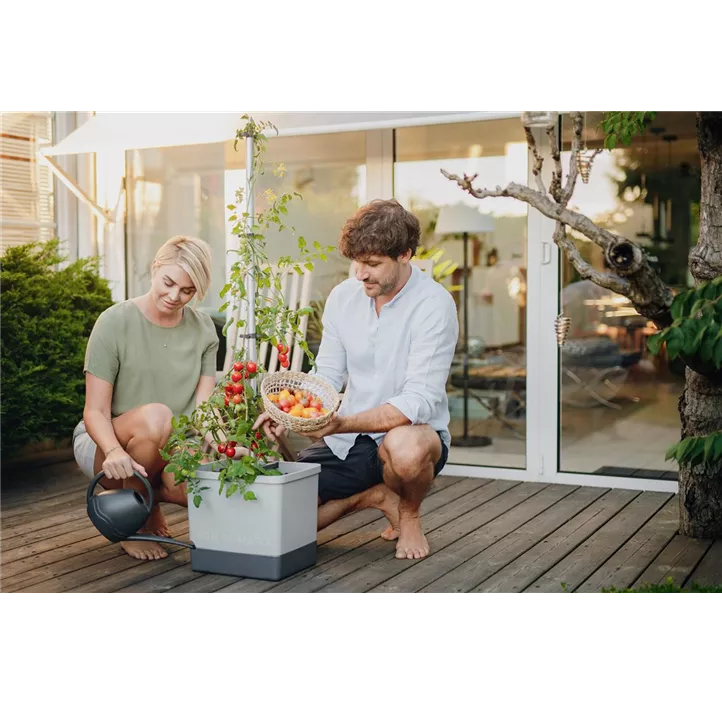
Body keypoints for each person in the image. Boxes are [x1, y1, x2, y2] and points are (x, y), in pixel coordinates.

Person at [254, 199, 459, 560]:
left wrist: (341, 422)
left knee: (405, 450)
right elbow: (328, 374)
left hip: (411, 436)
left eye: (373, 264)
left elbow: (419, 400)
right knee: (278, 517)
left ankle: (408, 514)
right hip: (348, 441)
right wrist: (293, 412)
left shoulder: (433, 305)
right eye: (357, 262)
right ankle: (375, 496)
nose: (361, 274)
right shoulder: (344, 297)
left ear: (405, 255)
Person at [73, 235, 230, 561]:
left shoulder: (203, 330)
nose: (175, 296)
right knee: (158, 416)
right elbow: (95, 411)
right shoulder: (114, 321)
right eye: (168, 282)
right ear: (155, 267)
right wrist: (114, 450)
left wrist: (227, 447)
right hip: (105, 441)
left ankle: (149, 498)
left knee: (198, 486)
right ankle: (132, 522)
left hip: (171, 441)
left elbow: (204, 410)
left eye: (187, 291)